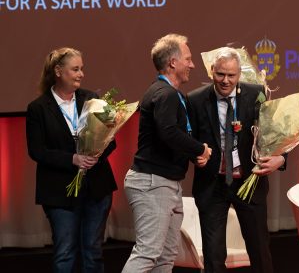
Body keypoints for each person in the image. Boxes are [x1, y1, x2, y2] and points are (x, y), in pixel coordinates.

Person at [187, 47, 286, 273]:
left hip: (249, 184)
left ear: (240, 74)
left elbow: (276, 132)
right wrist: (194, 155)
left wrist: (281, 158)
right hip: (212, 186)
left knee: (259, 251)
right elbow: (188, 140)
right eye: (220, 74)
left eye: (231, 75)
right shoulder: (195, 99)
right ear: (212, 71)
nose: (225, 81)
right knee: (213, 256)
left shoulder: (256, 93)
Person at [122, 33, 212, 273]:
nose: (192, 65)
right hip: (153, 183)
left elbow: (172, 137)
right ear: (173, 62)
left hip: (166, 183)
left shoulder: (172, 94)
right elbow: (168, 132)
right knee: (148, 253)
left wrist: (193, 155)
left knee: (165, 256)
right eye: (188, 59)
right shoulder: (165, 94)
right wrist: (200, 149)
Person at [26, 47, 117, 272]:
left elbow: (110, 140)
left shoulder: (92, 99)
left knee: (93, 251)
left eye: (82, 69)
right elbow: (37, 151)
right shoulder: (38, 108)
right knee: (65, 252)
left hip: (97, 187)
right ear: (58, 71)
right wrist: (73, 159)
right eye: (75, 69)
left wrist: (96, 153)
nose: (81, 74)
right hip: (59, 192)